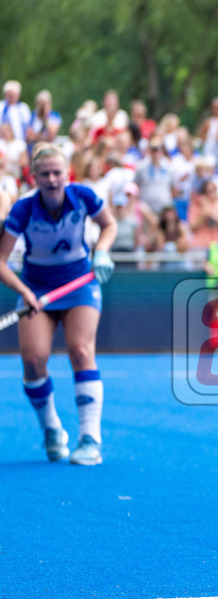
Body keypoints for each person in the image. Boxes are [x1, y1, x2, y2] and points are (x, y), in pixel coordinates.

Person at [0, 143, 117, 464]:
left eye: (57, 173)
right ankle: (51, 428)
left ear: (68, 173)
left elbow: (109, 224)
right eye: (45, 174)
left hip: (79, 284)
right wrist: (24, 291)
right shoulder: (23, 210)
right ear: (34, 176)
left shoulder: (84, 196)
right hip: (36, 288)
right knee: (33, 361)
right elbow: (1, 261)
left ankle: (90, 439)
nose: (52, 179)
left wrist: (102, 252)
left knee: (81, 350)